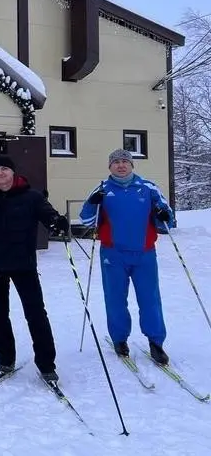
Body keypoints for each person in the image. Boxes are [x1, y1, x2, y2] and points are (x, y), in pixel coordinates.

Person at [0, 154, 69, 383]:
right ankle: (5, 360)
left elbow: (48, 216)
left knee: (35, 313)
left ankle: (46, 364)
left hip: (23, 265)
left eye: (4, 169)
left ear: (13, 172)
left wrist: (57, 222)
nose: (0, 173)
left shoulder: (31, 197)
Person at [79, 148, 176, 365]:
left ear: (132, 165)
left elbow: (168, 222)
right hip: (112, 255)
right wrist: (92, 203)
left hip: (144, 254)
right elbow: (86, 221)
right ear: (110, 167)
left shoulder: (148, 188)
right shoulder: (102, 190)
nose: (121, 165)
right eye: (116, 162)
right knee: (115, 300)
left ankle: (156, 342)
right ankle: (120, 339)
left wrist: (163, 215)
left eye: (125, 161)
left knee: (150, 299)